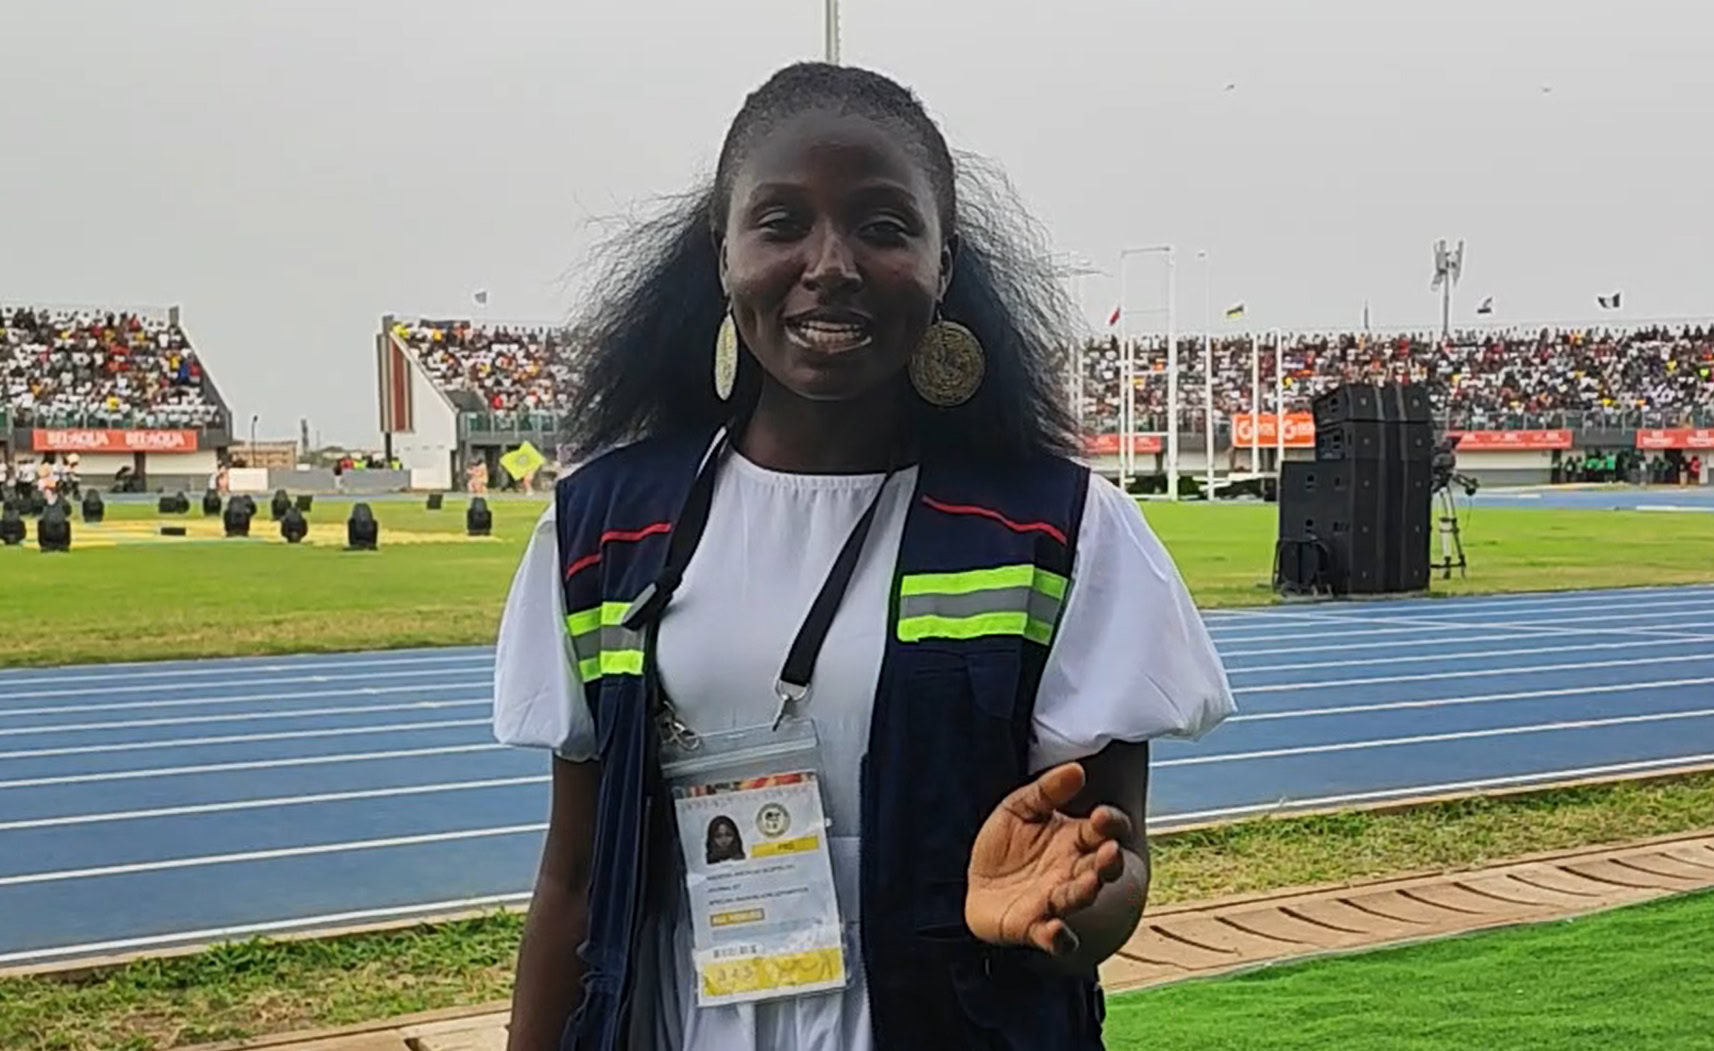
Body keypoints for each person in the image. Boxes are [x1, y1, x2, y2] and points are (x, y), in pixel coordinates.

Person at [492, 64, 1231, 1051]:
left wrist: (1070, 904)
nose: (830, 261)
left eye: (884, 227)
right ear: (724, 253)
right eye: (782, 222)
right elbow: (574, 881)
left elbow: (1108, 868)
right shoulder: (605, 527)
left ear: (944, 262)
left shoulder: (1060, 532)